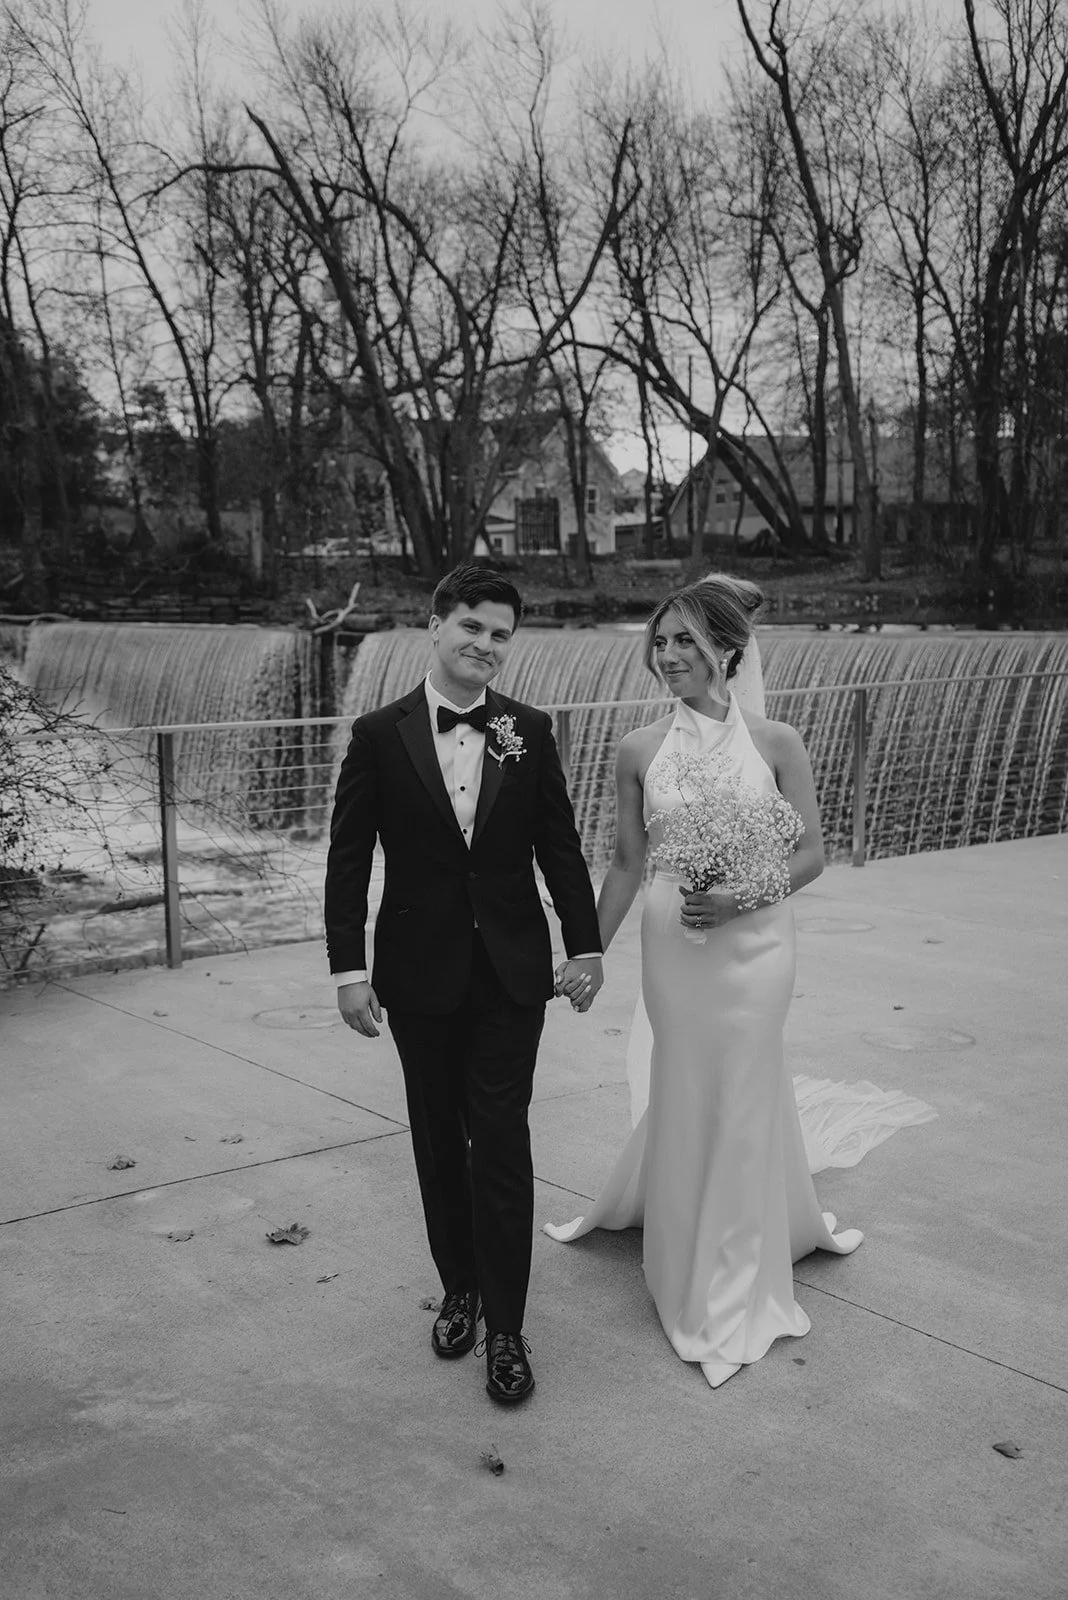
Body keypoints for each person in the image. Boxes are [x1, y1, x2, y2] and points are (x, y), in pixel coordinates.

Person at [548, 575, 863, 1388]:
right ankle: (682, 1247)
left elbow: (812, 856)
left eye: (687, 640)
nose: (670, 655)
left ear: (728, 647)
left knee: (746, 1081)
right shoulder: (638, 750)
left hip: (757, 946)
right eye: (661, 641)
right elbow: (624, 864)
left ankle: (735, 1271)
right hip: (674, 945)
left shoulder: (778, 742)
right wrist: (588, 950)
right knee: (688, 1082)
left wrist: (738, 898)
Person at [326, 563, 603, 1405]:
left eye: (501, 636)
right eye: (473, 627)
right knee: (439, 1139)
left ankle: (510, 1330)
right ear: (437, 624)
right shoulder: (380, 734)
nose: (486, 645)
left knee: (502, 1137)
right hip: (416, 975)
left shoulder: (528, 730)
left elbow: (559, 845)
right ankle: (461, 1291)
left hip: (513, 974)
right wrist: (348, 969)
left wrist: (585, 947)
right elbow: (346, 861)